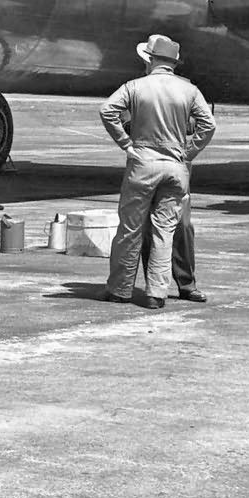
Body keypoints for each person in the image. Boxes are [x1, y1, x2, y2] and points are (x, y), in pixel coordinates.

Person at [98, 33, 216, 307]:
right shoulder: (189, 89)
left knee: (130, 229)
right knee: (165, 231)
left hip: (143, 165)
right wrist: (188, 152)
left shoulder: (135, 86)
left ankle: (120, 290)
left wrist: (126, 143)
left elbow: (107, 111)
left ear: (150, 60)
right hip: (175, 167)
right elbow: (208, 125)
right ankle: (156, 294)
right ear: (173, 63)